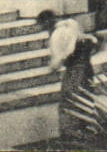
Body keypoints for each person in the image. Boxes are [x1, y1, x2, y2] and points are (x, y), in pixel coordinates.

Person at [36, 9, 99, 142]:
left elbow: (59, 59)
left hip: (75, 68)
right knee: (86, 95)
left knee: (70, 98)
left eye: (42, 25)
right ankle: (86, 128)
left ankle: (72, 134)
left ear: (47, 23)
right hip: (86, 66)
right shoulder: (70, 23)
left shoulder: (57, 35)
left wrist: (51, 68)